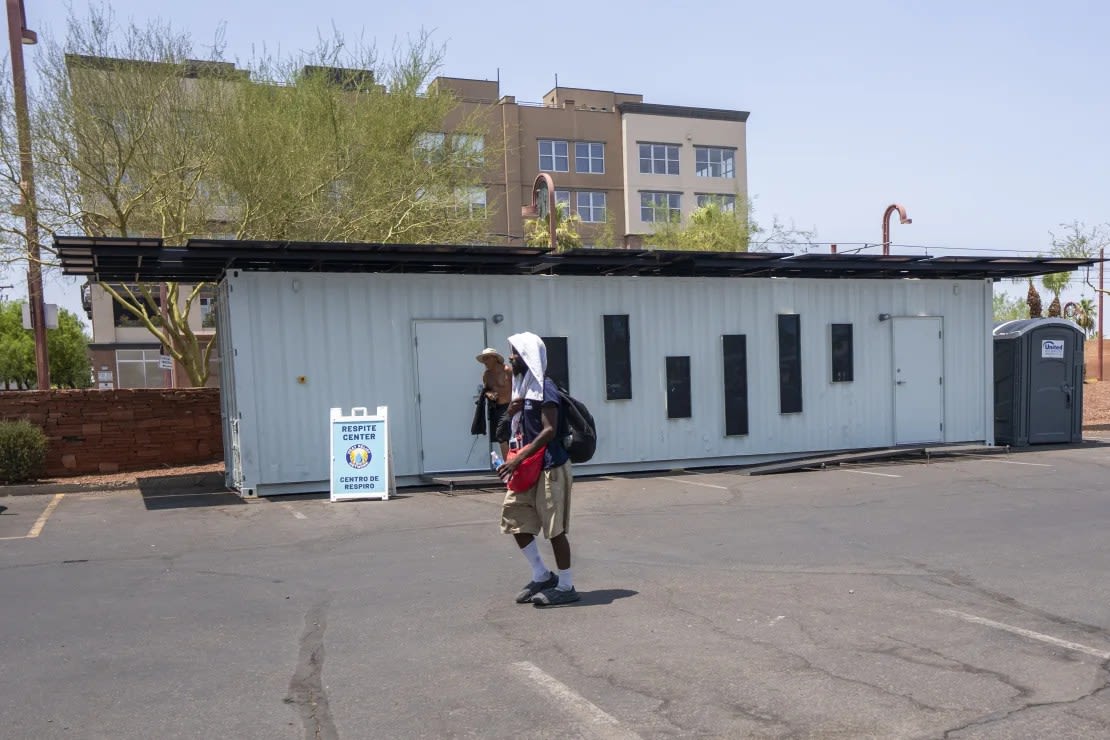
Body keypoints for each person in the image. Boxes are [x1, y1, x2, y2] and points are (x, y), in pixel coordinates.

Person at [496, 332, 579, 606]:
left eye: (516, 353)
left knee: (554, 530)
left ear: (529, 356)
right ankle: (542, 575)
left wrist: (516, 460)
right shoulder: (522, 387)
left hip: (548, 467)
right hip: (525, 468)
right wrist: (511, 413)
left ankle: (566, 586)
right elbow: (517, 427)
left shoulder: (545, 387)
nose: (511, 357)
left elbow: (549, 430)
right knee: (515, 520)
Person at [476, 347, 513, 460]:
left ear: (495, 358)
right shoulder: (486, 375)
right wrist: (489, 394)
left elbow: (517, 387)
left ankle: (510, 464)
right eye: (484, 359)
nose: (485, 362)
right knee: (500, 437)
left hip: (510, 406)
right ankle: (508, 464)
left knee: (504, 433)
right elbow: (486, 390)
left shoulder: (507, 370)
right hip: (497, 407)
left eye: (487, 358)